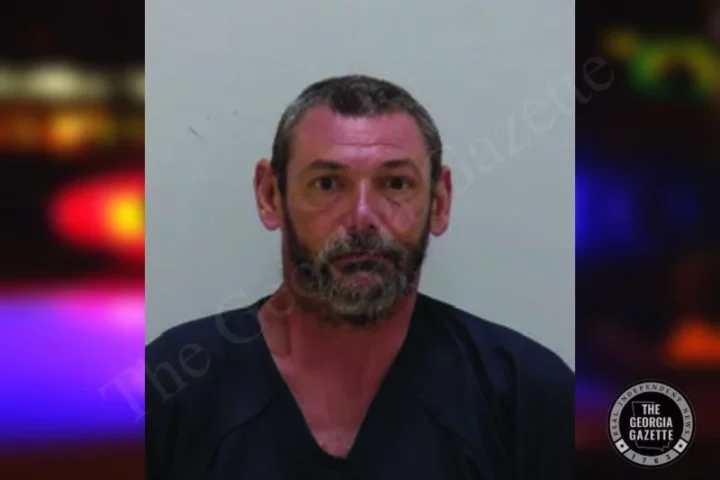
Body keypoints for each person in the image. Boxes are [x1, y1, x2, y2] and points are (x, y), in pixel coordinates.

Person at [145, 74, 574, 479]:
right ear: (270, 195)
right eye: (327, 184)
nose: (362, 218)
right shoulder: (171, 386)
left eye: (396, 184)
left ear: (439, 202)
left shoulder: (527, 395)